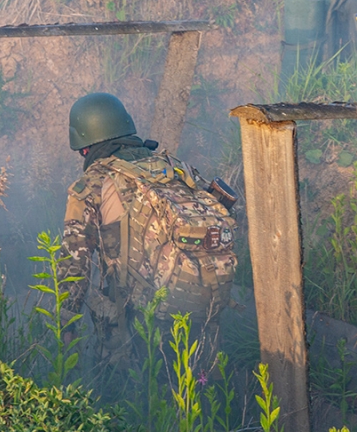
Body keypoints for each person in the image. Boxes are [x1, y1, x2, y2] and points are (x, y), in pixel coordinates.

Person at [57, 92, 236, 378]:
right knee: (199, 395)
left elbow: (75, 262)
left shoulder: (91, 184)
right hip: (201, 299)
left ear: (85, 147)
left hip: (133, 317)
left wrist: (66, 323)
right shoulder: (175, 168)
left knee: (128, 402)